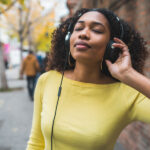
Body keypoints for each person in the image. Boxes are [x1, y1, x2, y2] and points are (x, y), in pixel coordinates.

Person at [26, 8, 150, 150]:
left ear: (112, 46)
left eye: (97, 30)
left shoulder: (127, 93)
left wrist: (129, 74)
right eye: (78, 28)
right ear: (68, 40)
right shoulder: (47, 80)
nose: (83, 34)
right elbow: (36, 142)